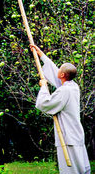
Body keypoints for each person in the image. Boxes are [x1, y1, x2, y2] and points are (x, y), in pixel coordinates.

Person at [30, 44, 90, 174]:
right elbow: (58, 76)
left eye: (60, 70)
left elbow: (44, 104)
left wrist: (44, 87)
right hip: (76, 134)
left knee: (72, 170)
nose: (57, 71)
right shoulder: (73, 86)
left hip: (68, 138)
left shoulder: (65, 91)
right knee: (81, 168)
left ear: (62, 74)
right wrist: (41, 55)